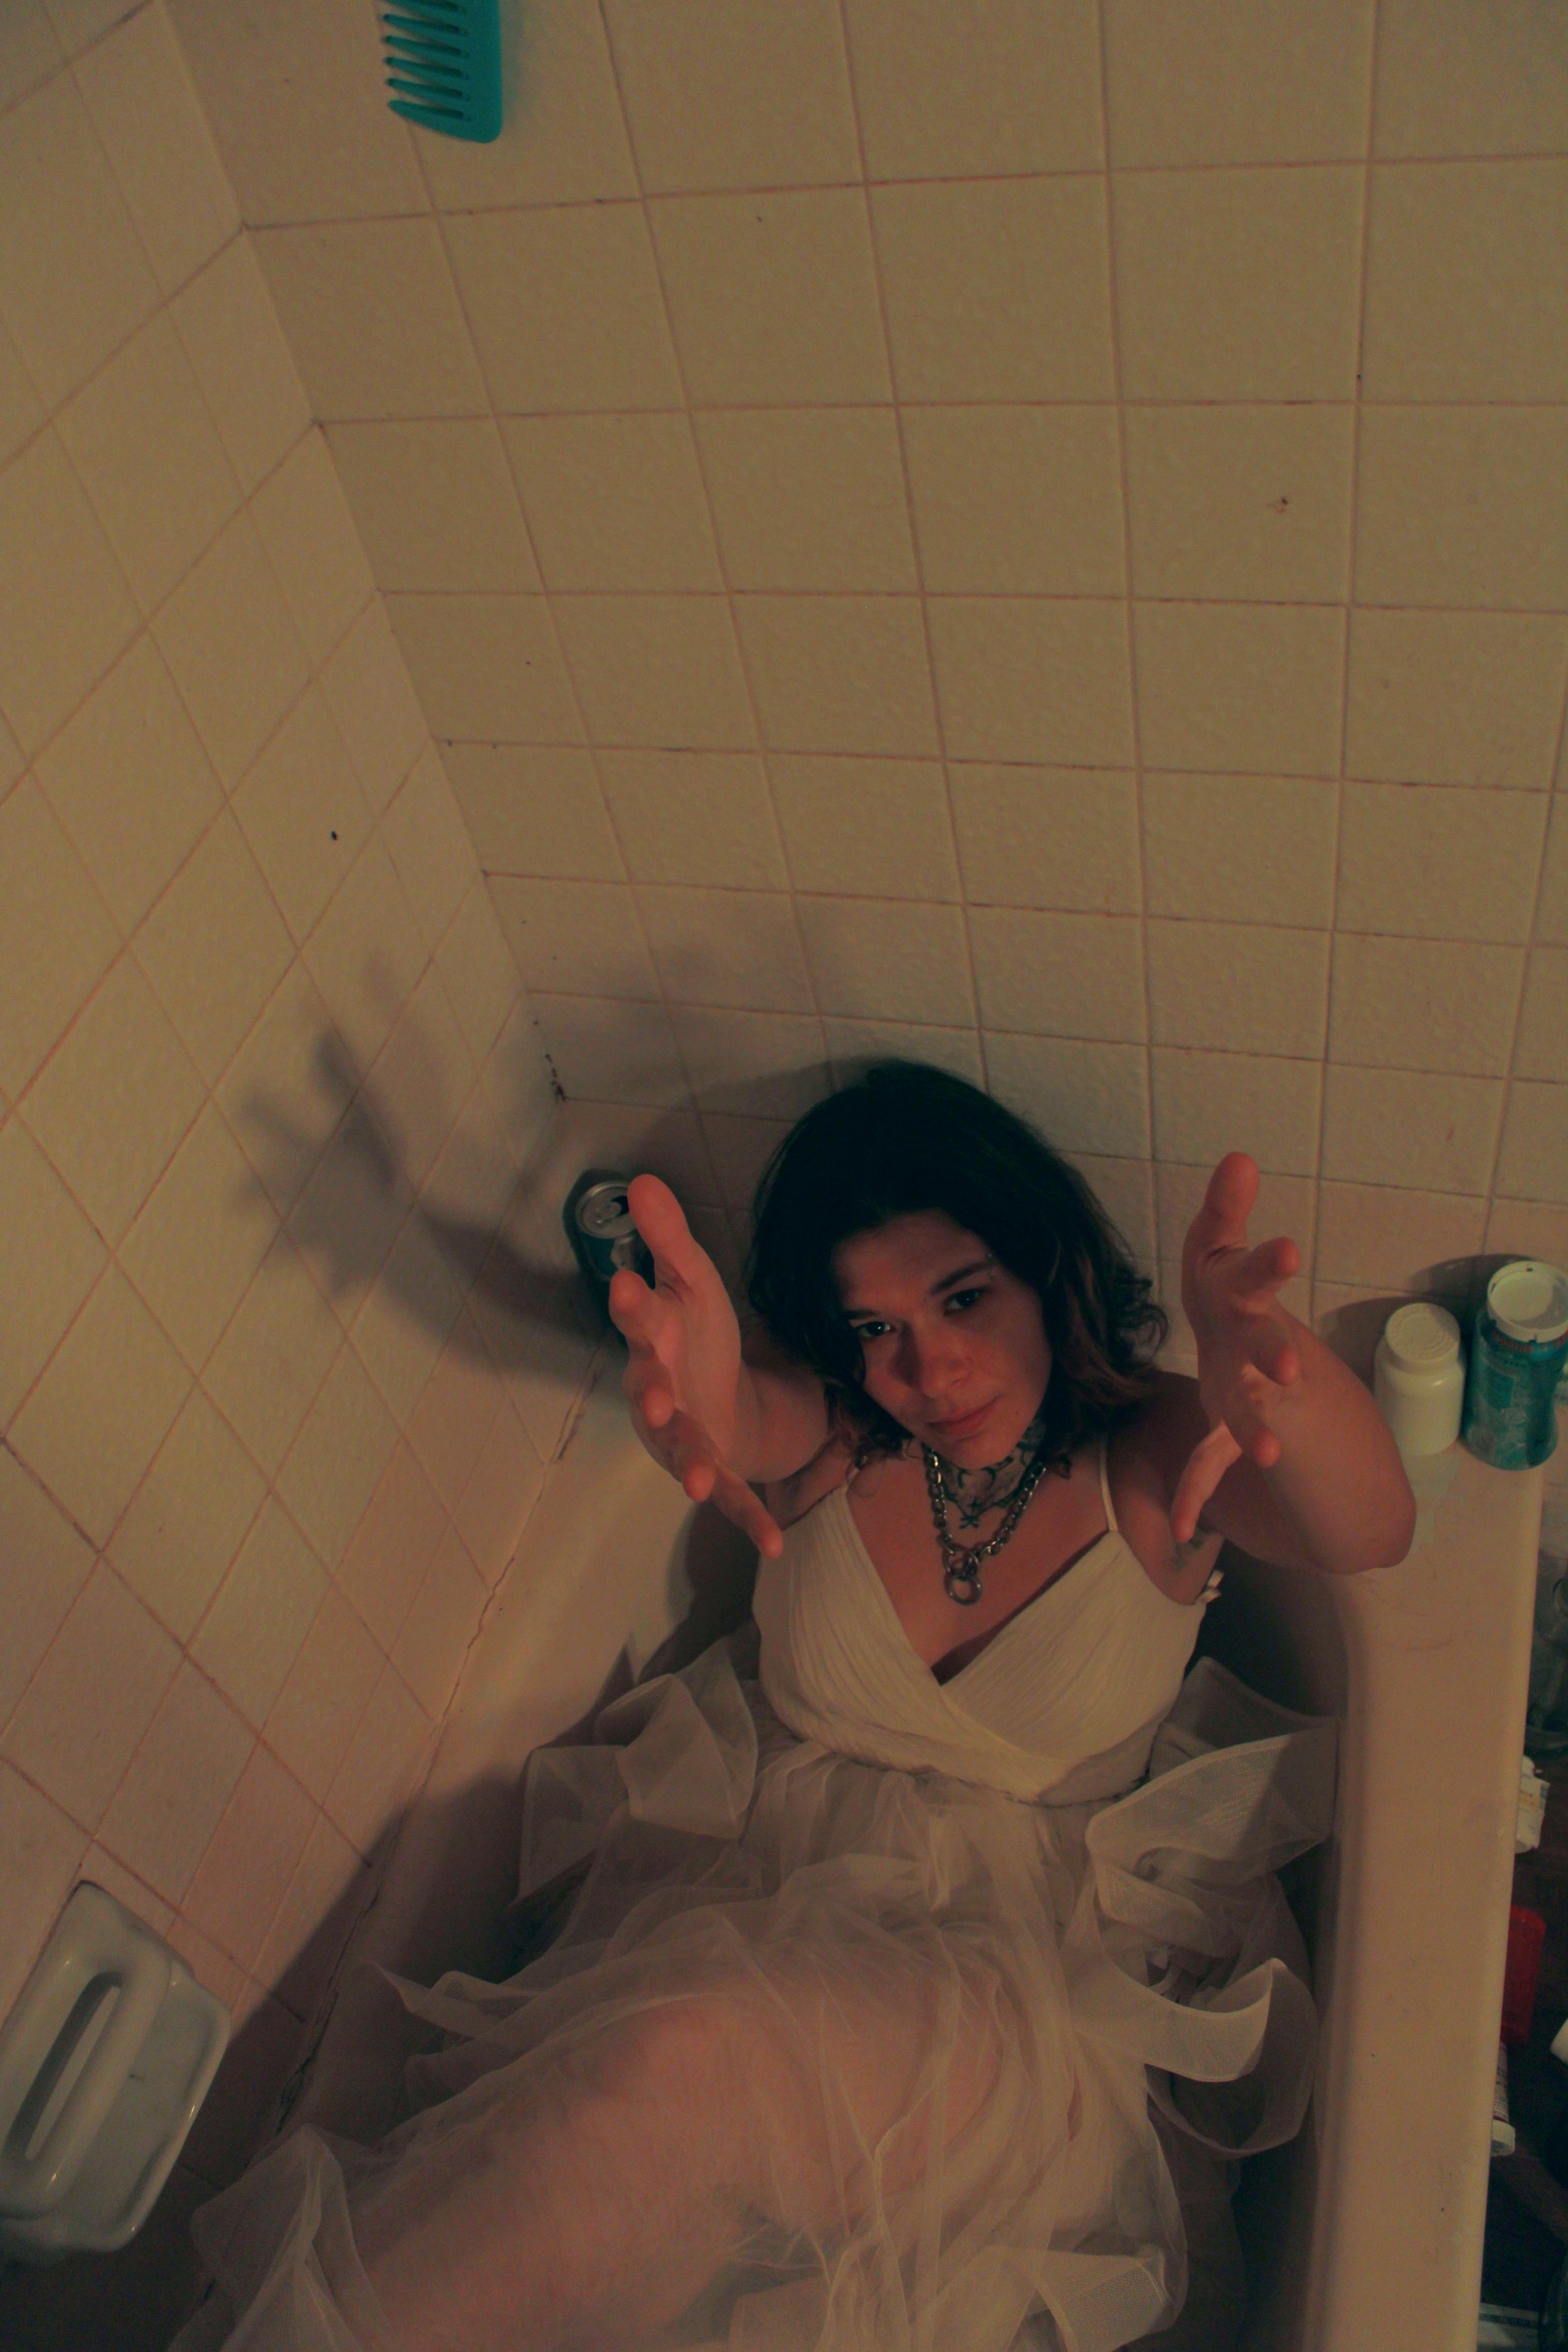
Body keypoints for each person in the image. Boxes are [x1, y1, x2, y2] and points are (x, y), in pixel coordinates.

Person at [179, 1062, 1414, 2352]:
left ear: (1047, 1270)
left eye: (963, 1297)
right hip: (752, 1887)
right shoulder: (834, 1430)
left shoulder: (1155, 1454)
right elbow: (738, 1417)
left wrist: (1283, 1384)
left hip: (1031, 1988)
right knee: (640, 2224)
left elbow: (1372, 1532)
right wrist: (700, 1397)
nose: (928, 1366)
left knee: (673, 2070)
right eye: (873, 1326)